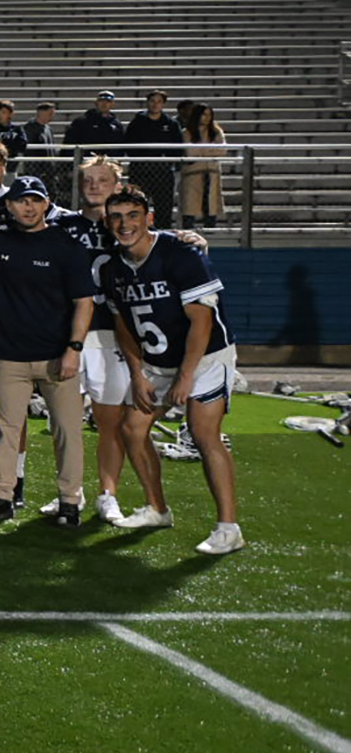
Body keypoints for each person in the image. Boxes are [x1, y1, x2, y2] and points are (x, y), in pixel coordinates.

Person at [101, 189, 243, 554]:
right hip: (158, 361)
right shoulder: (114, 267)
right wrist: (137, 373)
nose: (124, 224)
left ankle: (229, 528)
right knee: (133, 429)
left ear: (148, 218)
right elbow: (124, 326)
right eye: (116, 216)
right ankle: (157, 509)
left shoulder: (180, 252)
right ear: (107, 221)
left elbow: (202, 320)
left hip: (207, 355)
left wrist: (186, 376)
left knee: (203, 432)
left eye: (132, 215)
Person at [0, 175, 95, 527]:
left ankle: (70, 501)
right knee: (6, 432)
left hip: (58, 356)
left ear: (46, 205)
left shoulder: (65, 245)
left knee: (68, 432)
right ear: (9, 205)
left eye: (35, 200)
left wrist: (74, 349)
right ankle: (2, 497)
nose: (28, 206)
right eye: (21, 200)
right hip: (9, 356)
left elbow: (83, 302)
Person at [126, 89, 183, 227]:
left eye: (158, 102)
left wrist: (170, 162)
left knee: (164, 205)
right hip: (140, 170)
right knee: (137, 203)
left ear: (163, 104)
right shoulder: (137, 122)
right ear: (147, 103)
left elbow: (177, 146)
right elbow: (129, 143)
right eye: (152, 101)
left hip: (162, 171)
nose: (155, 104)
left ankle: (163, 233)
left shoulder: (171, 124)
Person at [180, 103, 225, 228]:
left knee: (210, 204)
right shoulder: (187, 132)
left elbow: (222, 150)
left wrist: (201, 150)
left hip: (211, 171)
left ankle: (210, 228)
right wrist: (209, 150)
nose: (207, 117)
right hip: (193, 172)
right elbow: (190, 152)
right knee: (190, 204)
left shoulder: (216, 131)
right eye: (204, 114)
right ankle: (188, 230)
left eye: (209, 115)